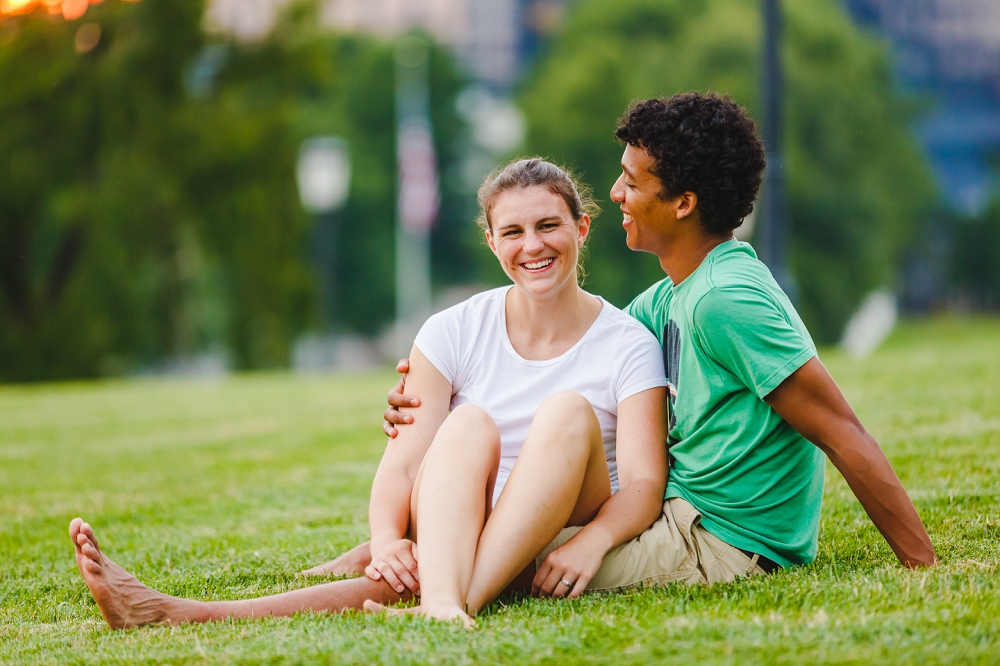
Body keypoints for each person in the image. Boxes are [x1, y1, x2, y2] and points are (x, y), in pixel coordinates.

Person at [69, 158, 674, 629]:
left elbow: (645, 485)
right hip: (461, 513)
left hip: (561, 517)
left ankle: (438, 597)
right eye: (512, 231)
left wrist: (593, 542)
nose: (532, 246)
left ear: (581, 227)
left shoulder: (626, 343)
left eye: (548, 225)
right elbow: (406, 459)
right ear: (491, 242)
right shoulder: (452, 329)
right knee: (467, 426)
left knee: (567, 413)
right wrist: (387, 543)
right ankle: (439, 599)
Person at [380, 92, 937, 592]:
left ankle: (438, 604)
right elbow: (590, 353)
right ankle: (411, 576)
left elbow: (842, 431)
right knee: (484, 534)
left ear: (683, 203)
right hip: (681, 515)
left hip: (723, 541)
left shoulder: (726, 300)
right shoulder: (670, 297)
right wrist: (433, 389)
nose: (616, 192)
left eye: (633, 181)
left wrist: (923, 568)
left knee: (492, 550)